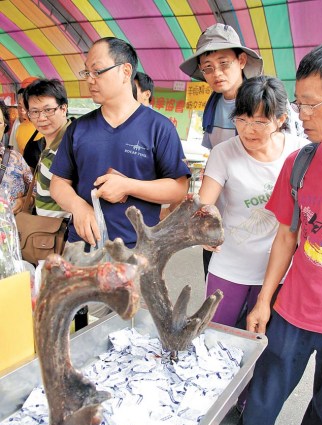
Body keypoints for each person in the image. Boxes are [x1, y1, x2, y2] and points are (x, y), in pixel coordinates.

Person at [227, 43, 322, 425]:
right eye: (299, 104)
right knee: (263, 401)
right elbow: (287, 238)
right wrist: (264, 300)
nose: (300, 115)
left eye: (309, 105)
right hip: (293, 310)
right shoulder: (301, 162)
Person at [197, 76, 308, 425]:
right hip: (228, 265)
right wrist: (206, 219)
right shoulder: (225, 152)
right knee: (216, 342)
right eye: (243, 119)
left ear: (281, 119)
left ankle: (244, 402)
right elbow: (206, 202)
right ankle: (209, 408)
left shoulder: (298, 152)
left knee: (258, 342)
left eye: (261, 121)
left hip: (276, 270)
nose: (250, 130)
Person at [50, 37, 190, 249]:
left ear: (125, 71)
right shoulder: (78, 128)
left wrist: (128, 186)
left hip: (136, 249)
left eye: (97, 71)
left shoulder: (159, 127)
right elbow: (58, 183)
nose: (89, 79)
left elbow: (179, 188)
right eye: (87, 72)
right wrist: (78, 207)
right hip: (82, 247)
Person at [180, 23, 263, 279]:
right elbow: (214, 160)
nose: (216, 73)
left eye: (224, 63)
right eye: (208, 68)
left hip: (258, 214)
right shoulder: (213, 105)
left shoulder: (264, 102)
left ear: (241, 60)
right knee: (217, 291)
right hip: (221, 217)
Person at [22, 78, 71, 218]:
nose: (41, 118)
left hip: (65, 234)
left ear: (63, 108)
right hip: (46, 232)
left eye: (48, 110)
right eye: (35, 112)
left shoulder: (71, 146)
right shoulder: (46, 143)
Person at [0, 100, 34, 214]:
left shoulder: (15, 159)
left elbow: (36, 191)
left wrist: (24, 201)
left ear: (4, 127)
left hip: (14, 228)